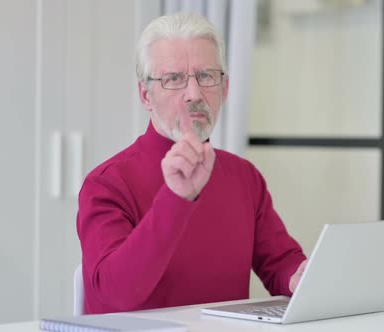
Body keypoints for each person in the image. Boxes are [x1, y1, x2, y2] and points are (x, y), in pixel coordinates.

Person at [76, 12, 307, 315]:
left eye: (206, 76)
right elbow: (115, 293)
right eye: (174, 79)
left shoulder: (243, 176)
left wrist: (300, 276)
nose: (194, 94)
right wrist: (176, 198)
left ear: (224, 89)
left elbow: (280, 263)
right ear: (146, 95)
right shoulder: (107, 184)